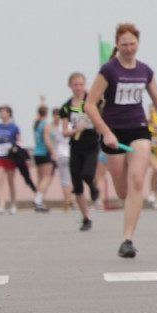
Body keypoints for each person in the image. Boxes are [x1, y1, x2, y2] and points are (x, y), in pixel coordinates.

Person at [84, 23, 157, 258]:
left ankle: (127, 239)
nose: (129, 48)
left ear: (138, 44)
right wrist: (106, 132)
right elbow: (90, 105)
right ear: (117, 45)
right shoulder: (109, 70)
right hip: (113, 133)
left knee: (138, 181)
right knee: (123, 191)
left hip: (139, 130)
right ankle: (127, 207)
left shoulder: (145, 71)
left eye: (133, 44)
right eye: (124, 45)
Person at [58, 72, 100, 231]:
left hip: (91, 145)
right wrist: (75, 129)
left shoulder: (92, 102)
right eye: (75, 85)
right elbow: (64, 132)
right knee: (77, 185)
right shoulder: (66, 107)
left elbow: (102, 116)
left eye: (81, 84)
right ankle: (86, 218)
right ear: (70, 86)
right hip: (75, 147)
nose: (78, 88)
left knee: (87, 174)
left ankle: (94, 187)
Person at [0, 106, 22, 214]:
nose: (1, 114)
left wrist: (16, 147)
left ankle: (13, 204)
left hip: (10, 157)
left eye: (3, 112)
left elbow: (19, 141)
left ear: (9, 114)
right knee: (0, 181)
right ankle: (1, 204)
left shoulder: (14, 127)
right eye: (0, 112)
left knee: (10, 181)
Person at [32, 104, 54, 212]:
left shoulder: (36, 124)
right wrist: (53, 152)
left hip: (36, 153)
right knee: (47, 177)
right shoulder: (45, 125)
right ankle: (37, 199)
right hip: (44, 153)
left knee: (40, 179)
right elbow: (46, 140)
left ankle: (40, 201)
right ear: (46, 113)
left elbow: (37, 115)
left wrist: (42, 101)